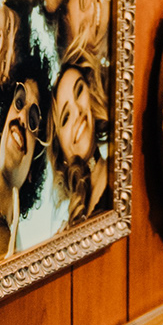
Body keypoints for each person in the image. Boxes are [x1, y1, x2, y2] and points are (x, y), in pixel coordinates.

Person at [0, 62, 47, 264]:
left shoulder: (17, 251)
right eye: (19, 101)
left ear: (33, 167)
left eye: (33, 119)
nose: (22, 117)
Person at [50, 55, 109, 225]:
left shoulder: (120, 174)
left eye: (79, 91)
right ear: (60, 150)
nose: (77, 111)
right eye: (66, 117)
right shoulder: (73, 217)